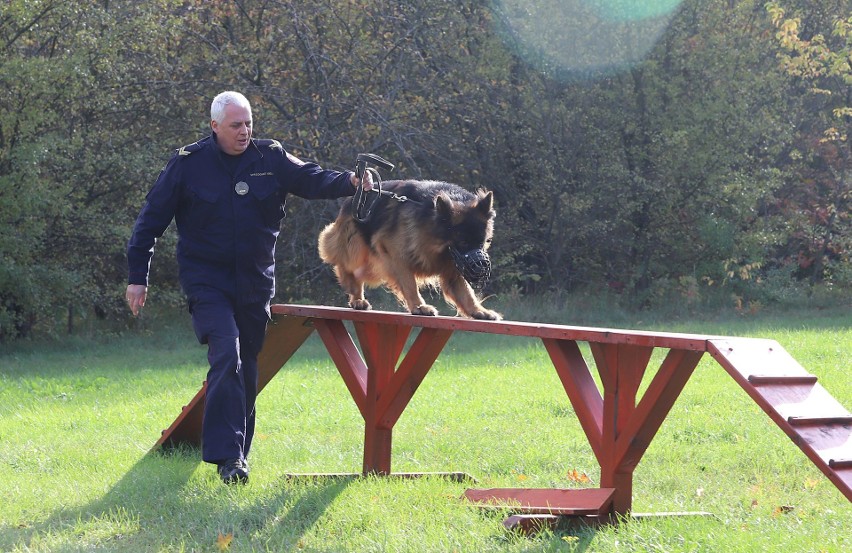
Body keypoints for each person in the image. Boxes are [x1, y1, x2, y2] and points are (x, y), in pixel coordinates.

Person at [126, 90, 371, 484]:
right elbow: (149, 221)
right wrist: (139, 277)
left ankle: (239, 453)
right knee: (228, 355)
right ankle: (229, 460)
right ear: (214, 126)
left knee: (248, 366)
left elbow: (309, 177)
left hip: (255, 281)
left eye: (249, 123)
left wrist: (350, 181)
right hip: (207, 281)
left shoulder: (268, 156)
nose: (244, 131)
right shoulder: (188, 164)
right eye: (236, 125)